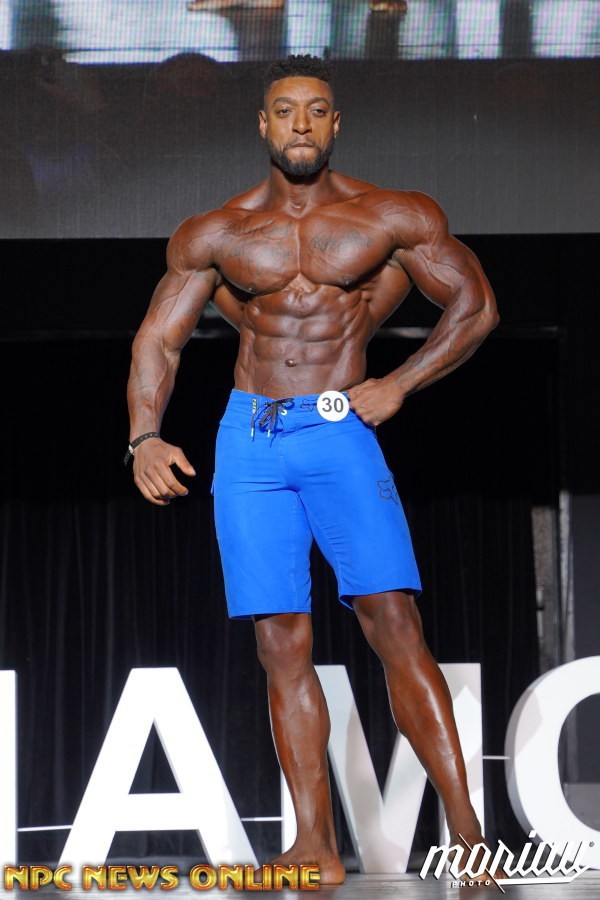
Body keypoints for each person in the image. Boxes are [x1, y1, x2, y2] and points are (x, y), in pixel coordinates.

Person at [126, 54, 499, 884]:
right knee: (279, 640)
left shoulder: (391, 215)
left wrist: (399, 383)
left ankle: (469, 835)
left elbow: (475, 306)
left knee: (392, 621)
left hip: (337, 429)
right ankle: (315, 847)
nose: (301, 123)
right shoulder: (215, 232)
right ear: (263, 125)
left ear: (336, 124)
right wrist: (143, 435)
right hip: (249, 438)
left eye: (317, 110)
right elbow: (159, 339)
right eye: (286, 110)